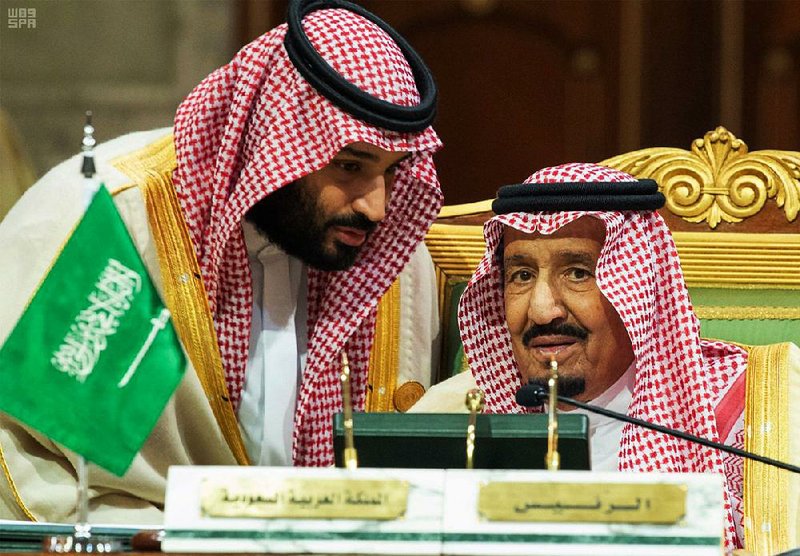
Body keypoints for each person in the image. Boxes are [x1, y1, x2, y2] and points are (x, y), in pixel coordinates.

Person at [0, 1, 442, 523]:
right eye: (349, 166)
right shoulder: (117, 224)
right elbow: (33, 454)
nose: (376, 206)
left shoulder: (386, 253)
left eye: (392, 172)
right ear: (276, 141)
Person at [411, 162, 800, 551]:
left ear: (638, 288)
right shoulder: (452, 417)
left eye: (578, 273)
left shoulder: (761, 411)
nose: (543, 310)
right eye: (522, 276)